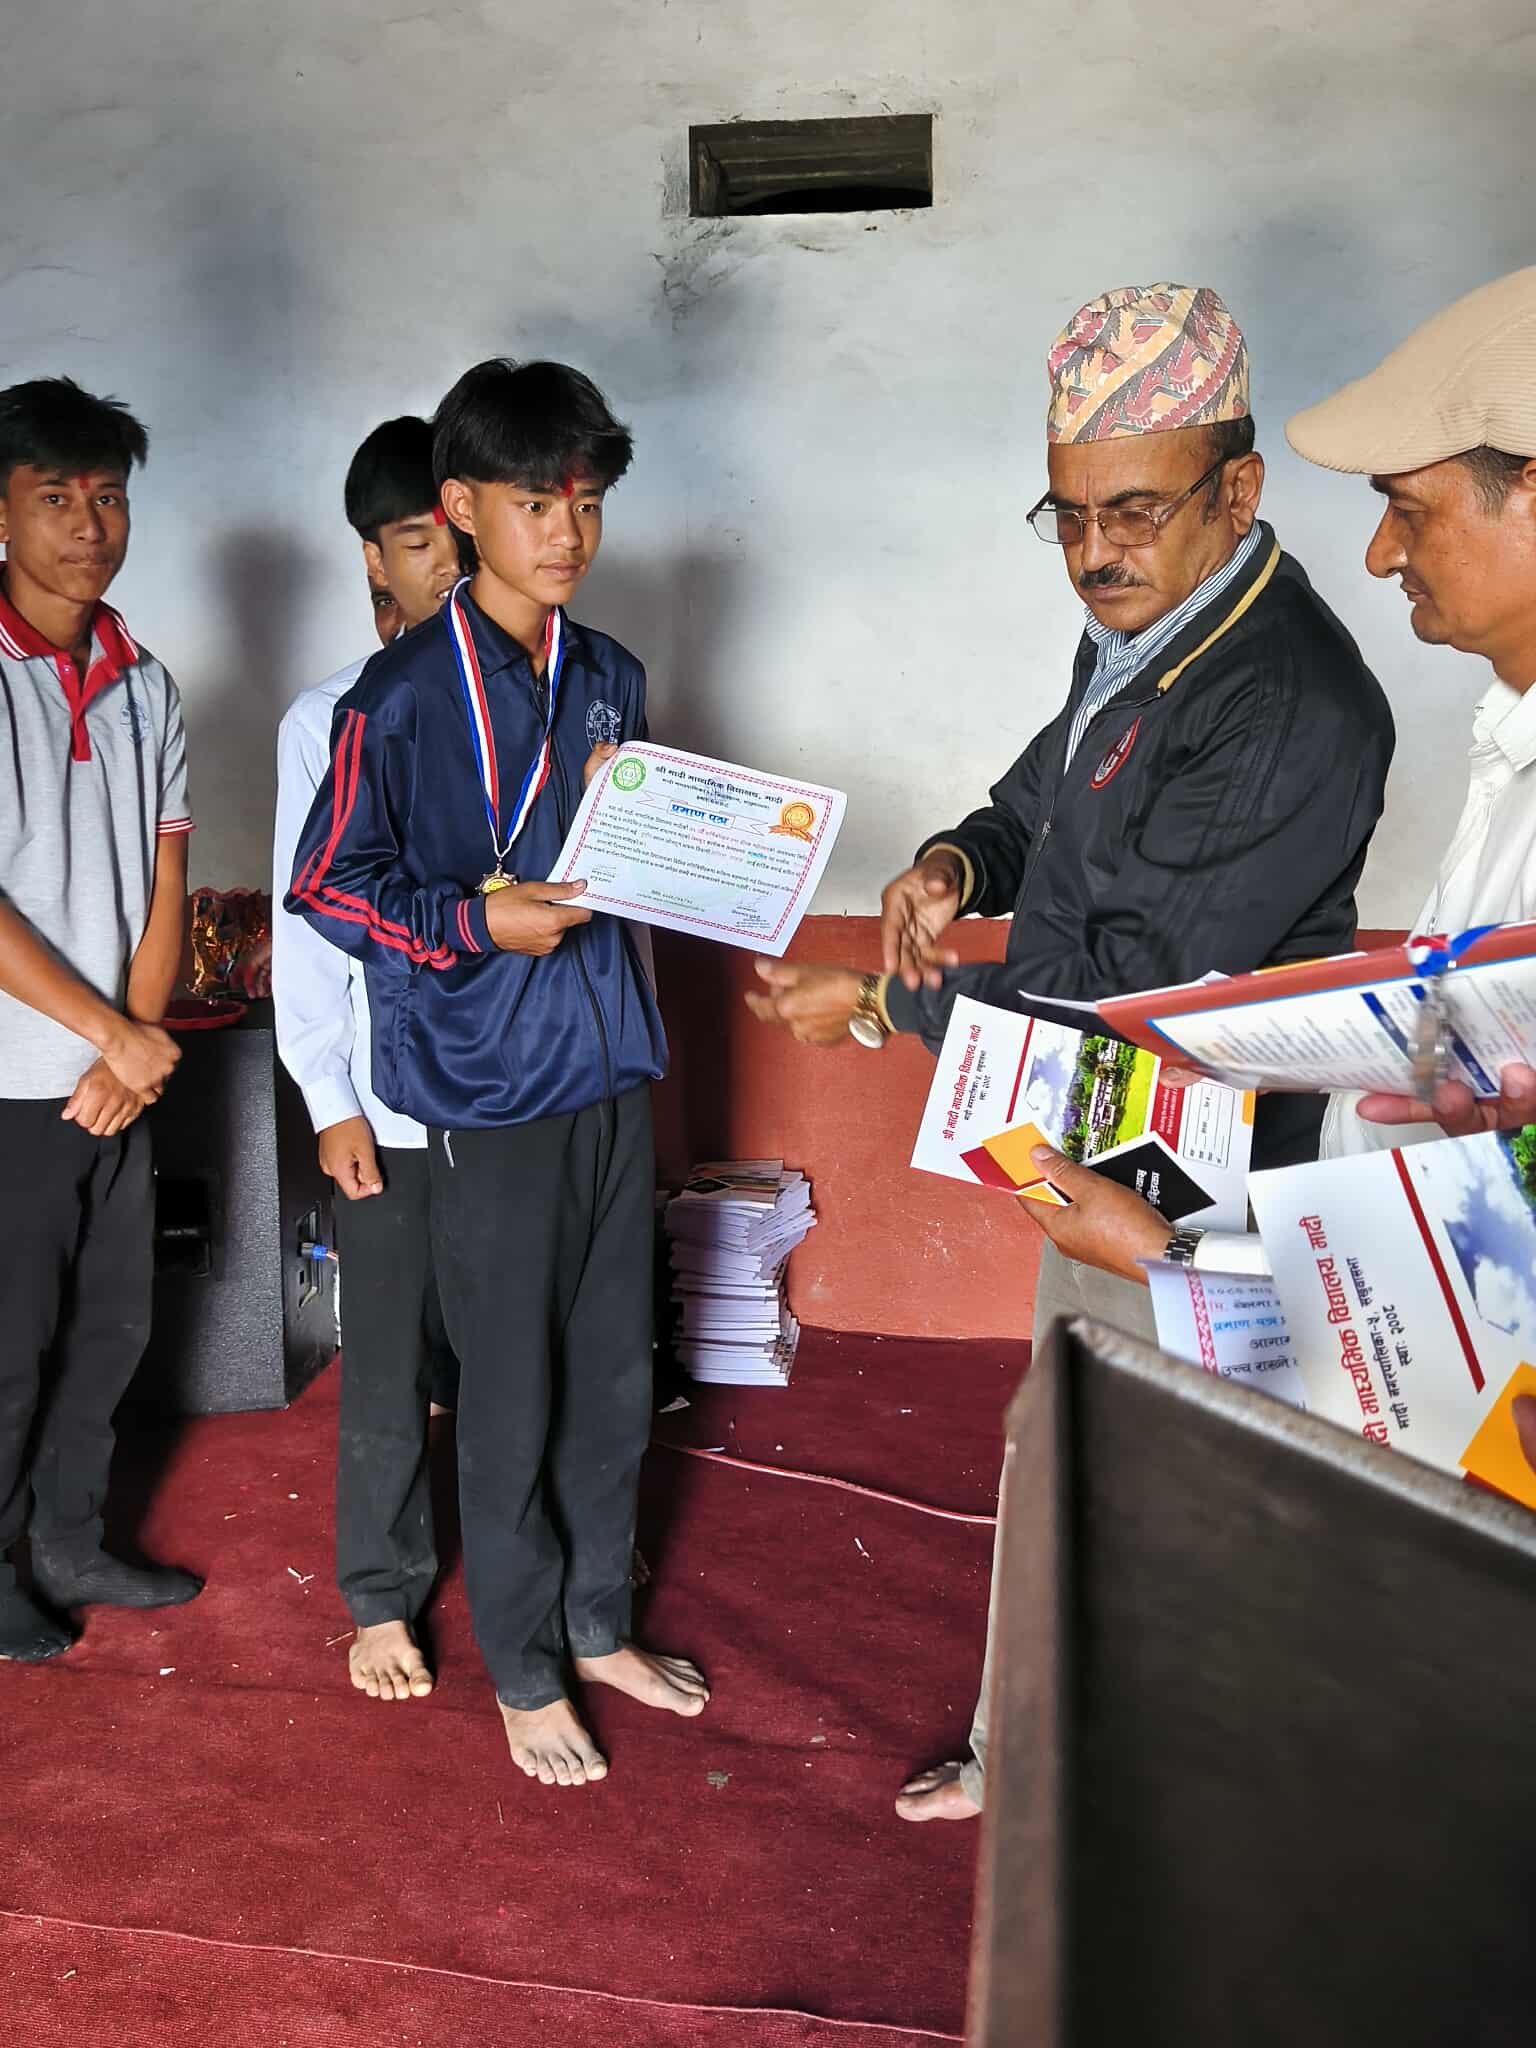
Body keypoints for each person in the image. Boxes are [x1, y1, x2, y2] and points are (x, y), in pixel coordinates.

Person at [745, 284, 1397, 1821]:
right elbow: (1046, 796)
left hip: (1195, 1176)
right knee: (1067, 1454)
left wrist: (883, 1006)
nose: (1096, 551)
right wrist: (957, 864)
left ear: (1236, 489)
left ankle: (1150, 1817)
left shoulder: (1285, 701)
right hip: (1083, 1137)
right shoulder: (1149, 624)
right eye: (1070, 514)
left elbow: (1128, 998)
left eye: (1135, 511)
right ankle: (1029, 1754)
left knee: (1171, 1498)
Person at [284, 359, 707, 1786]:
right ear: (461, 508)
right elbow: (327, 883)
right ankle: (526, 1667)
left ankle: (597, 1625)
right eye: (536, 503)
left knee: (616, 1374)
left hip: (610, 1065)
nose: (568, 532)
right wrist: (476, 922)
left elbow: (631, 852)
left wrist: (707, 860)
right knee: (511, 1388)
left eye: (585, 502)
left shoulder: (610, 675)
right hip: (482, 1085)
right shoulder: (398, 696)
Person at [1022, 263, 1536, 1285]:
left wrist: (1175, 1253)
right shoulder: (1509, 740)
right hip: (1329, 1252)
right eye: (1072, 518)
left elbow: (1152, 973)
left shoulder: (1290, 697)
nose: (1379, 554)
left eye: (1408, 509)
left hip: (1275, 1247)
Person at [0, 377, 198, 1663]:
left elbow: (165, 883)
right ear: (1, 513)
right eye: (55, 496)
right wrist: (109, 1035)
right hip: (11, 1078)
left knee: (112, 1324)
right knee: (7, 1344)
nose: (89, 523)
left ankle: (70, 1538)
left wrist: (138, 1043)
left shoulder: (147, 681)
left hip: (118, 1072)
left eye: (110, 495)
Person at [272, 416, 469, 1705]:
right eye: (413, 542)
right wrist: (328, 1093)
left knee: (525, 1341)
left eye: (457, 537)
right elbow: (308, 928)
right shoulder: (327, 718)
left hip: (518, 1095)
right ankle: (383, 1589)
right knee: (387, 1349)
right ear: (372, 560)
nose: (444, 565)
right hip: (388, 1100)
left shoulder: (546, 700)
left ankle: (546, 1550)